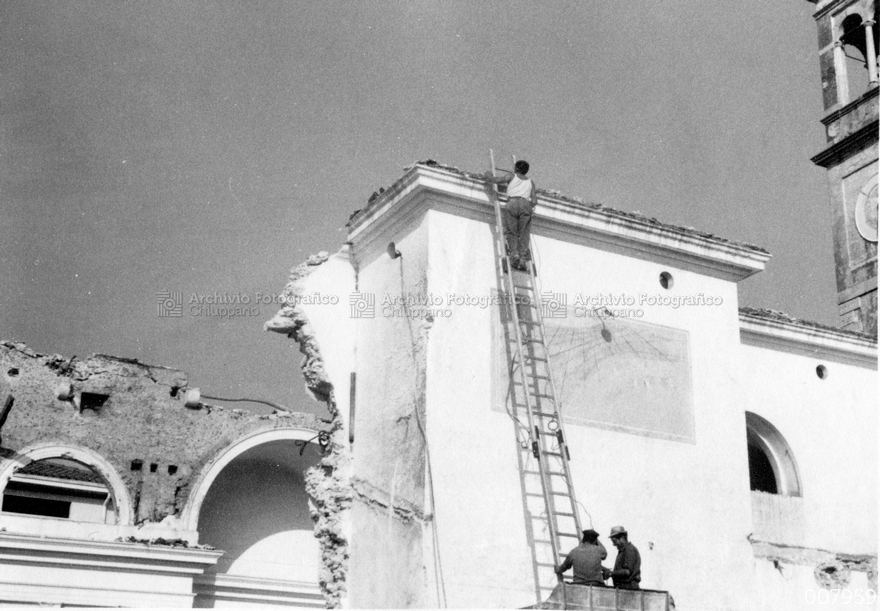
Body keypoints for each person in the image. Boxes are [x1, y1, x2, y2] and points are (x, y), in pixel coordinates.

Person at [484, 160, 538, 271]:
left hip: (512, 203)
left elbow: (498, 180)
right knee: (523, 234)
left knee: (511, 231)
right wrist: (528, 206)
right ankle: (523, 259)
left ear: (516, 168)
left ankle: (515, 256)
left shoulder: (511, 176)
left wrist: (488, 175)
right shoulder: (531, 182)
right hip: (526, 205)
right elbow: (534, 199)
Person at [607, 525, 641, 590]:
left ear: (622, 538)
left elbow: (627, 572)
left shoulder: (630, 550)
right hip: (624, 589)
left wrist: (610, 573)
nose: (613, 544)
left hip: (629, 589)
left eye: (614, 541)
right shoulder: (624, 551)